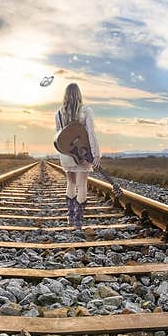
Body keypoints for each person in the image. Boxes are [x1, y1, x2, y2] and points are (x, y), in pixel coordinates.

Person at [54, 82, 101, 229]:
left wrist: (64, 153)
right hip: (83, 152)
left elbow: (59, 136)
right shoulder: (86, 111)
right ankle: (79, 221)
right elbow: (91, 134)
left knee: (71, 183)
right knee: (82, 185)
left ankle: (70, 218)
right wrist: (96, 155)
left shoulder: (59, 113)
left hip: (67, 154)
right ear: (79, 94)